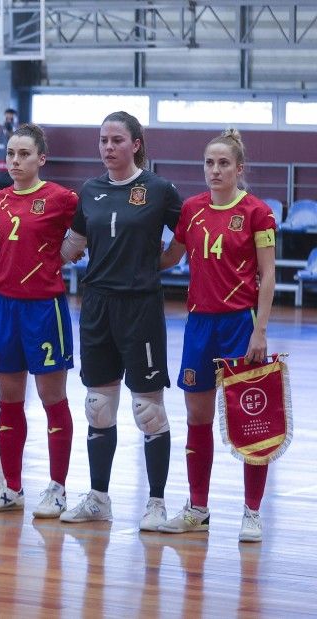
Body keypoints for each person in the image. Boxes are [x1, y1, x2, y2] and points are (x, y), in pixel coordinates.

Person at [59, 111, 182, 530]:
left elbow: (184, 238)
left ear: (136, 144)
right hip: (96, 306)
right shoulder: (89, 191)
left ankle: (156, 502)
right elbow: (72, 246)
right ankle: (98, 498)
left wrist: (156, 265)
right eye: (103, 140)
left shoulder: (159, 190)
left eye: (116, 140)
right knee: (98, 406)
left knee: (148, 410)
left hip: (140, 307)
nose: (108, 148)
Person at [156, 128, 276, 543]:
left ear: (239, 169)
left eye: (224, 163)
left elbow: (268, 275)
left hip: (240, 325)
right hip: (199, 326)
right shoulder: (191, 209)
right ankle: (197, 508)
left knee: (252, 423)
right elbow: (173, 255)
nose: (215, 170)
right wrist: (128, 261)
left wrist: (259, 331)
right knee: (197, 420)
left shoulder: (257, 212)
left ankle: (253, 512)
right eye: (209, 162)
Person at [0, 124, 79, 517]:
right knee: (8, 402)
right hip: (5, 307)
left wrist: (68, 252)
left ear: (41, 159)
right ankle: (12, 487)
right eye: (12, 155)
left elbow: (88, 228)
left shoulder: (60, 198)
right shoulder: (0, 198)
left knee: (53, 399)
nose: (15, 161)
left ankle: (57, 489)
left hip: (44, 309)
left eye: (24, 154)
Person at [0, 108, 19, 197]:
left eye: (11, 119)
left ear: (16, 120)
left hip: (13, 179)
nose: (9, 121)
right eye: (7, 119)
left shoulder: (20, 137)